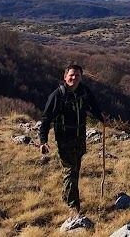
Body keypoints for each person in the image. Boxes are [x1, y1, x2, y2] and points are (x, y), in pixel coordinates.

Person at [39, 63, 106, 214]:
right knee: (70, 171)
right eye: (71, 75)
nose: (74, 78)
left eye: (77, 76)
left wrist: (101, 117)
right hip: (64, 139)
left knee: (75, 171)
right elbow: (46, 119)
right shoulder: (57, 95)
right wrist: (43, 141)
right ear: (65, 77)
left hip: (80, 137)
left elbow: (93, 105)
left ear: (81, 77)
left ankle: (66, 197)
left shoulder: (84, 91)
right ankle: (73, 206)